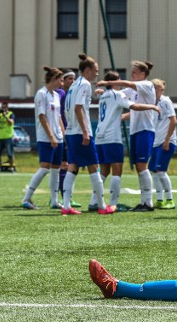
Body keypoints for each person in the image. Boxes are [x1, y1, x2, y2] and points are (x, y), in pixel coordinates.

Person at [95, 72, 160, 212]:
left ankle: (94, 202)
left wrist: (103, 88)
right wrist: (152, 106)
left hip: (99, 136)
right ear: (114, 82)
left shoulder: (104, 96)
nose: (121, 81)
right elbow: (134, 106)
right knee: (117, 171)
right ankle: (113, 204)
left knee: (104, 171)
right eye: (118, 80)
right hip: (112, 137)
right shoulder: (118, 95)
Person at [62, 53, 115, 215]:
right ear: (87, 70)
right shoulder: (84, 84)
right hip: (80, 133)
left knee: (72, 167)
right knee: (94, 167)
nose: (97, 73)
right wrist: (85, 132)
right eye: (95, 70)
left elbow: (66, 109)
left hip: (71, 132)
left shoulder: (74, 85)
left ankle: (65, 206)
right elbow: (78, 108)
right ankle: (101, 206)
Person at [21, 67, 65, 210]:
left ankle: (54, 201)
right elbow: (42, 116)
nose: (62, 83)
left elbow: (58, 117)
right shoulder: (41, 94)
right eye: (61, 79)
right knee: (45, 168)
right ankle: (26, 199)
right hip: (46, 138)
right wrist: (51, 136)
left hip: (58, 138)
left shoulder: (57, 95)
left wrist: (62, 135)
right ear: (54, 79)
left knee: (56, 169)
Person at [149, 79, 177, 210]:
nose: (156, 90)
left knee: (161, 171)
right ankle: (159, 199)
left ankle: (170, 199)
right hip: (155, 142)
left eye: (158, 88)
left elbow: (174, 120)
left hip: (166, 141)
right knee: (154, 171)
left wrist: (167, 140)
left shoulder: (165, 101)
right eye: (153, 88)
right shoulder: (151, 103)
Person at [56, 70, 80, 208]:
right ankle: (63, 198)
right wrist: (63, 131)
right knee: (65, 165)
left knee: (69, 165)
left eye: (74, 78)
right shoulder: (61, 93)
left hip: (69, 132)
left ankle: (65, 197)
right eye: (69, 78)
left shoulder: (70, 94)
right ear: (63, 81)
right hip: (64, 133)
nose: (72, 81)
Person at [0, 102, 15, 172]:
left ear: (7, 108)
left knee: (10, 154)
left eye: (4, 107)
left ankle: (11, 168)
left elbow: (11, 122)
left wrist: (5, 116)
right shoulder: (0, 115)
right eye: (2, 107)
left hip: (8, 137)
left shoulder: (10, 114)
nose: (3, 109)